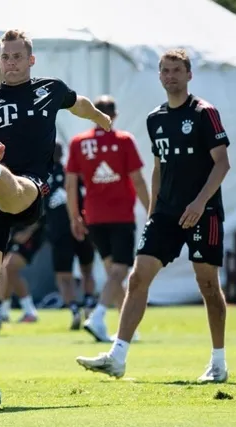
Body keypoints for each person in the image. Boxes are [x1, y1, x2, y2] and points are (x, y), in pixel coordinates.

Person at [0, 29, 112, 407]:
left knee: (16, 188)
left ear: (30, 60)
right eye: (5, 57)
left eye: (17, 56)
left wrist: (102, 119)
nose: (11, 62)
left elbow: (80, 104)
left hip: (30, 187)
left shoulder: (50, 89)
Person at [76, 49, 230, 383]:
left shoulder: (205, 113)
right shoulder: (155, 119)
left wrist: (200, 203)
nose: (170, 76)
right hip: (166, 213)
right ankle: (117, 356)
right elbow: (159, 167)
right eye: (165, 71)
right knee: (137, 276)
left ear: (189, 74)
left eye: (176, 70)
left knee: (207, 284)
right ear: (159, 76)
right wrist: (152, 212)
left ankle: (218, 362)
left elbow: (222, 163)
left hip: (203, 211)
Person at [66, 96, 150, 342]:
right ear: (115, 114)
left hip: (93, 216)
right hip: (121, 216)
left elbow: (71, 185)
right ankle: (98, 316)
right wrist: (152, 211)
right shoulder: (124, 140)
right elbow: (137, 179)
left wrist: (74, 217)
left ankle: (126, 330)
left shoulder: (79, 143)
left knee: (113, 272)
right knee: (120, 271)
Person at [45, 143, 96, 330]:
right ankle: (89, 301)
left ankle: (74, 308)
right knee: (87, 269)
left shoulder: (42, 178)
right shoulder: (73, 174)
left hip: (59, 231)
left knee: (63, 276)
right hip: (82, 226)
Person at [0, 222, 42, 326]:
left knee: (9, 266)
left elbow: (41, 213)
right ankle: (3, 312)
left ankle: (30, 311)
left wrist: (28, 232)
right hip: (11, 234)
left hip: (31, 236)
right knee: (5, 270)